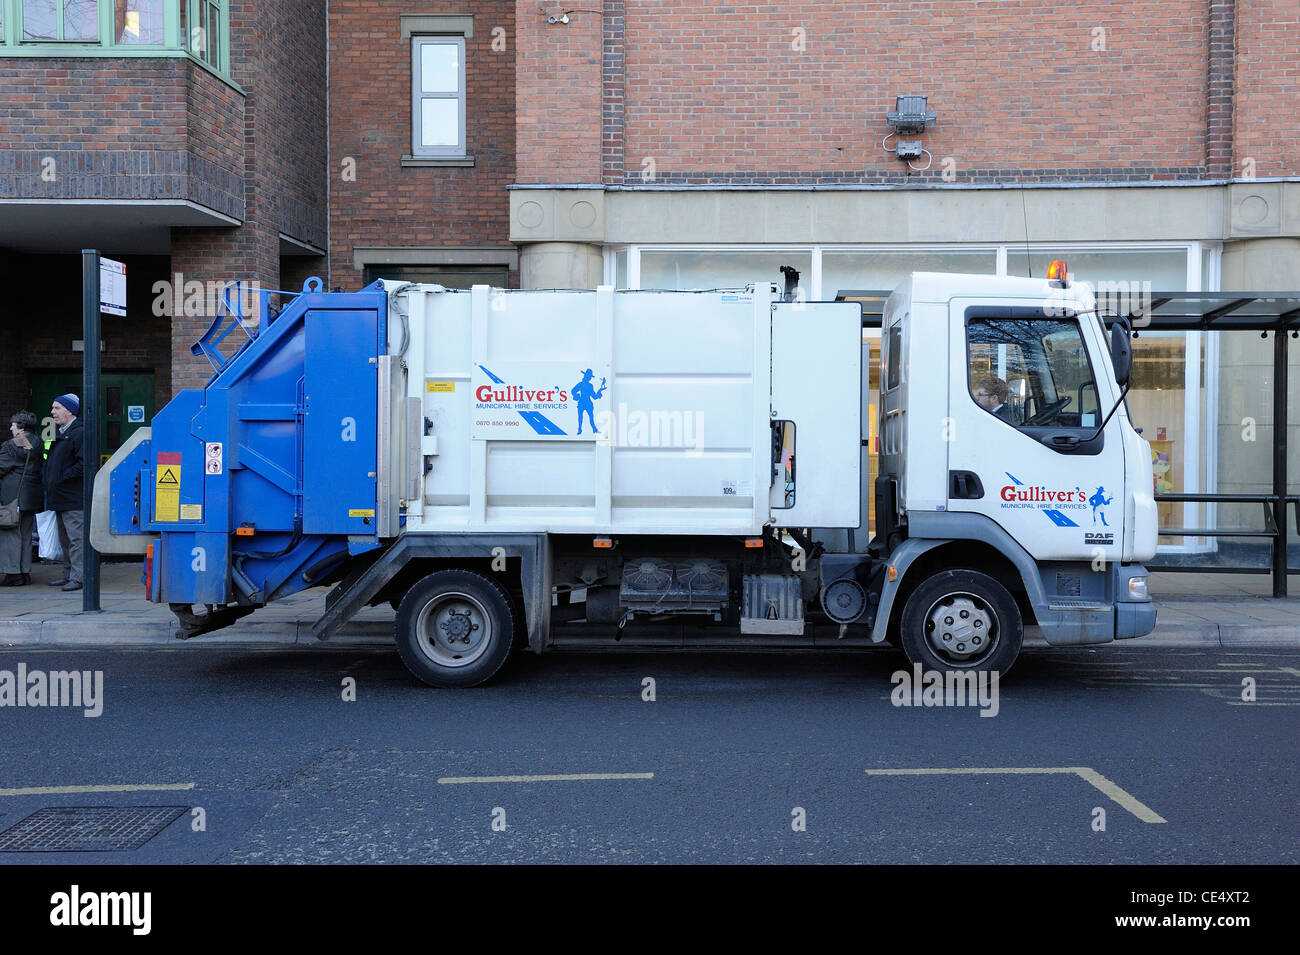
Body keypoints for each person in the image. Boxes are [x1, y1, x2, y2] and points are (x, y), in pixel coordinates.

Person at [44, 394, 85, 592]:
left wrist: (62, 476)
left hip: (73, 498)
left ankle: (78, 578)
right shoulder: (60, 432)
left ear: (69, 410)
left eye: (57, 408)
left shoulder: (79, 432)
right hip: (60, 497)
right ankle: (68, 574)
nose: (53, 412)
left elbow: (84, 464)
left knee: (76, 540)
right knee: (65, 540)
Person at [0, 411, 45, 586]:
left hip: (13, 497)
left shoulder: (12, 446)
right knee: (26, 534)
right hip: (31, 496)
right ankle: (25, 571)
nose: (11, 428)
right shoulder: (38, 443)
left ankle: (13, 574)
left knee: (11, 534)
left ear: (21, 427)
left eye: (13, 425)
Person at [572, 369, 606, 435]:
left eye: (590, 377)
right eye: (589, 376)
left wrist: (599, 391)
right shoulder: (581, 384)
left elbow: (594, 396)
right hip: (582, 402)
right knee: (581, 417)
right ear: (586, 376)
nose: (590, 378)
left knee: (590, 417)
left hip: (587, 403)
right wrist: (576, 396)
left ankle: (593, 429)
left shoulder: (590, 385)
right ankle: (580, 429)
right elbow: (573, 390)